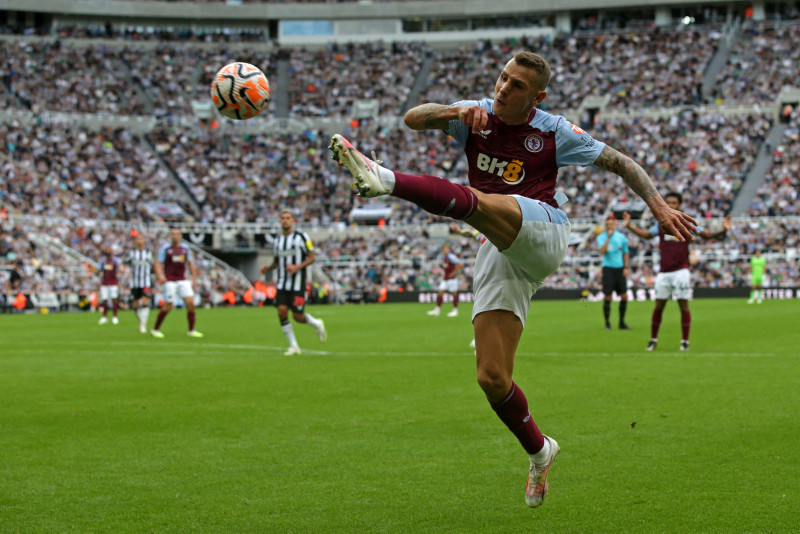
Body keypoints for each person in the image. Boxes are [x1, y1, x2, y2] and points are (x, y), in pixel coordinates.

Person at [329, 51, 697, 508]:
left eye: (516, 85)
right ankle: (541, 452)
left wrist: (658, 206)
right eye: (502, 78)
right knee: (491, 377)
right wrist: (451, 112)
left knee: (481, 200)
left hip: (544, 229)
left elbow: (621, 162)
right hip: (500, 247)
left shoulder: (554, 130)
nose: (503, 88)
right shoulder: (476, 113)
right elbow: (412, 118)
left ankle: (385, 178)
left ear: (536, 96)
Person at [622, 195, 730, 351]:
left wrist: (723, 229)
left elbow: (706, 235)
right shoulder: (660, 223)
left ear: (680, 204)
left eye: (674, 202)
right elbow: (646, 235)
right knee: (659, 306)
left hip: (681, 270)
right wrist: (629, 226)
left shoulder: (686, 222)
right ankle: (653, 340)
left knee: (683, 306)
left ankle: (685, 341)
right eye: (669, 202)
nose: (671, 204)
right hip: (664, 271)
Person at [260, 209, 327, 355]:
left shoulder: (302, 237)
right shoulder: (277, 241)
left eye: (288, 218)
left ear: (293, 220)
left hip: (298, 284)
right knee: (282, 312)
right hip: (282, 283)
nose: (285, 220)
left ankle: (316, 323)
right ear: (280, 221)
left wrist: (297, 267)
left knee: (297, 316)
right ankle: (294, 346)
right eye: (282, 218)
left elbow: (312, 258)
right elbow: (277, 261)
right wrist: (268, 268)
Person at [151, 228, 203, 338]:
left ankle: (191, 330)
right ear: (170, 236)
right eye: (173, 234)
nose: (175, 236)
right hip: (170, 281)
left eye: (177, 234)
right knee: (168, 306)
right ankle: (155, 329)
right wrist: (160, 276)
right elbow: (158, 263)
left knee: (191, 303)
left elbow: (190, 264)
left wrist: (194, 280)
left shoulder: (185, 248)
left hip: (182, 279)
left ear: (180, 236)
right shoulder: (165, 249)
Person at [596, 214, 631, 330]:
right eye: (608, 224)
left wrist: (626, 267)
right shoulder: (601, 237)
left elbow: (626, 253)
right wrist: (608, 238)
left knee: (624, 296)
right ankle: (607, 323)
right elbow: (602, 251)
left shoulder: (621, 237)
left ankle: (622, 322)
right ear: (606, 225)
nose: (610, 226)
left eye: (612, 223)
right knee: (608, 296)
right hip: (608, 268)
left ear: (615, 224)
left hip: (620, 268)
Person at [123, 233, 154, 334]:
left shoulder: (149, 253)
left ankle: (143, 325)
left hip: (146, 282)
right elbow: (124, 262)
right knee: (135, 305)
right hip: (134, 282)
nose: (139, 241)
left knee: (145, 302)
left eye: (141, 239)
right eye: (137, 239)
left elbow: (153, 266)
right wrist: (122, 268)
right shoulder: (131, 253)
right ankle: (141, 321)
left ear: (144, 240)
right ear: (135, 241)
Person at [427, 244, 465, 317]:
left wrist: (454, 272)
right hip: (445, 278)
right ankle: (437, 310)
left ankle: (455, 310)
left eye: (446, 249)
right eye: (444, 249)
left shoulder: (451, 256)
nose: (445, 250)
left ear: (448, 250)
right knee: (440, 292)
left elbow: (460, 264)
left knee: (454, 293)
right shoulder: (444, 257)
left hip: (452, 279)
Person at [97, 245, 121, 325]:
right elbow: (98, 271)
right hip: (105, 283)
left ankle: (115, 317)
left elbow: (121, 270)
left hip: (113, 283)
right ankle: (104, 317)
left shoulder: (116, 261)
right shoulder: (102, 261)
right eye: (106, 249)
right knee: (105, 300)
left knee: (114, 299)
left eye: (109, 249)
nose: (107, 251)